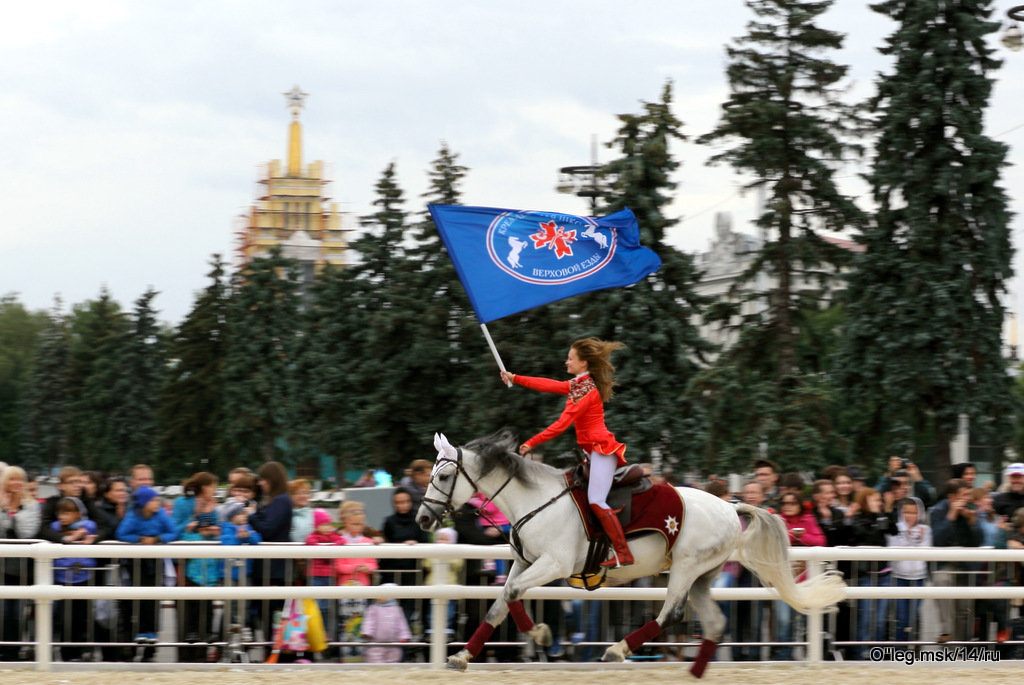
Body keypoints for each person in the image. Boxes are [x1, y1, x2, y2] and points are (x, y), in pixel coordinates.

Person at [501, 337, 633, 568]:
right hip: (592, 452)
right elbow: (547, 384)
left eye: (570, 359)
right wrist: (515, 378)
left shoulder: (586, 391)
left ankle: (623, 553)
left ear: (583, 364)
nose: (566, 362)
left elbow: (562, 424)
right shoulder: (579, 385)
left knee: (596, 500)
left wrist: (532, 442)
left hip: (602, 450)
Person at [115, 486, 177, 651]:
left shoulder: (161, 514)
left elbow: (173, 532)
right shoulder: (133, 516)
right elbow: (121, 534)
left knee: (153, 598)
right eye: (153, 500)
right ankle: (139, 631)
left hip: (155, 562)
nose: (157, 503)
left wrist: (157, 539)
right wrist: (140, 539)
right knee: (138, 598)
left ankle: (151, 631)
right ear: (143, 503)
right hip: (136, 563)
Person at [930, 478, 984, 643]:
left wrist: (972, 521)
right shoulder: (938, 511)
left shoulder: (969, 510)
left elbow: (977, 541)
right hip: (944, 566)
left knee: (963, 610)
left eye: (969, 494)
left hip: (965, 565)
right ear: (952, 497)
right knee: (942, 580)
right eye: (964, 495)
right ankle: (946, 632)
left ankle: (960, 646)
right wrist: (952, 515)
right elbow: (937, 540)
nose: (968, 498)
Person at [773, 493, 826, 660]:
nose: (788, 505)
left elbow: (821, 541)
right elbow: (773, 540)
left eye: (792, 502)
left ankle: (811, 655)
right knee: (783, 621)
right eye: (784, 502)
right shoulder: (777, 520)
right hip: (783, 580)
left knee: (806, 621)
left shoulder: (808, 519)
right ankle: (784, 655)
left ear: (799, 504)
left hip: (807, 581)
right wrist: (793, 535)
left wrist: (802, 536)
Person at [248, 461, 294, 647]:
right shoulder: (275, 501)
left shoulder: (281, 500)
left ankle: (275, 653)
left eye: (263, 480)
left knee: (272, 615)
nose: (260, 483)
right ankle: (272, 652)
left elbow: (267, 529)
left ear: (272, 480)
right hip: (270, 567)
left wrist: (251, 516)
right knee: (266, 615)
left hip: (274, 569)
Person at [848, 487, 896, 659]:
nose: (879, 503)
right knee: (866, 618)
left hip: (884, 574)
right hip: (867, 574)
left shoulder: (881, 516)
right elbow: (869, 535)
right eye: (875, 500)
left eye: (879, 500)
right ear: (864, 502)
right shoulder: (858, 519)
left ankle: (877, 653)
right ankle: (860, 653)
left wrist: (888, 511)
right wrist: (879, 521)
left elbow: (893, 529)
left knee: (881, 620)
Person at [50, 497, 99, 661]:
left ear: (77, 514)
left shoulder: (87, 526)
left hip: (83, 578)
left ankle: (78, 651)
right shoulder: (55, 529)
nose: (61, 516)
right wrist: (71, 537)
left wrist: (79, 532)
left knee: (81, 616)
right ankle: (66, 653)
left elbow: (90, 527)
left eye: (67, 512)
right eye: (60, 512)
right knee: (64, 618)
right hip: (63, 578)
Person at [0, 466, 41, 661]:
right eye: (11, 479)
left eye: (19, 480)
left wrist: (11, 510)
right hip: (2, 566)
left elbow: (27, 532)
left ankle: (13, 650)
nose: (16, 483)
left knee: (15, 611)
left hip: (20, 569)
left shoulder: (32, 505)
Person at [335, 500, 378, 662]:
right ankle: (345, 654)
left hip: (363, 588)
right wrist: (355, 568)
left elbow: (373, 564)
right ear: (345, 522)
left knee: (361, 621)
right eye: (354, 524)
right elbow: (339, 566)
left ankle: (360, 654)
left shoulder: (368, 542)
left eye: (360, 524)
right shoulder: (340, 541)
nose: (357, 527)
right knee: (345, 622)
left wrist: (366, 567)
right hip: (345, 589)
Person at [885, 497, 932, 644]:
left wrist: (916, 539)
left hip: (918, 578)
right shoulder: (895, 527)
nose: (910, 516)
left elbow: (926, 552)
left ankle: (911, 647)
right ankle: (900, 650)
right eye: (906, 512)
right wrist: (908, 537)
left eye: (913, 512)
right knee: (901, 617)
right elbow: (893, 552)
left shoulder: (926, 530)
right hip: (899, 577)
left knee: (912, 617)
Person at [306, 508, 344, 617]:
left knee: (328, 606)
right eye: (324, 524)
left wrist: (330, 549)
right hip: (316, 576)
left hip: (330, 575)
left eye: (329, 524)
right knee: (317, 605)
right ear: (316, 526)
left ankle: (326, 631)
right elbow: (316, 549)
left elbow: (342, 540)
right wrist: (332, 550)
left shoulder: (333, 536)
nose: (328, 527)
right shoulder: (312, 537)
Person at [361, 583, 412, 663]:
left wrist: (404, 635)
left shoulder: (397, 609)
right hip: (376, 643)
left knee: (393, 658)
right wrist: (367, 632)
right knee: (374, 659)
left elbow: (401, 623)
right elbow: (369, 621)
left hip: (394, 643)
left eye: (380, 595)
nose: (377, 597)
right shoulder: (373, 608)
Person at [289, 478, 315, 543]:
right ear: (291, 496)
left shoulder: (315, 514)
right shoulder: (287, 515)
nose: (303, 496)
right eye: (298, 493)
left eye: (306, 493)